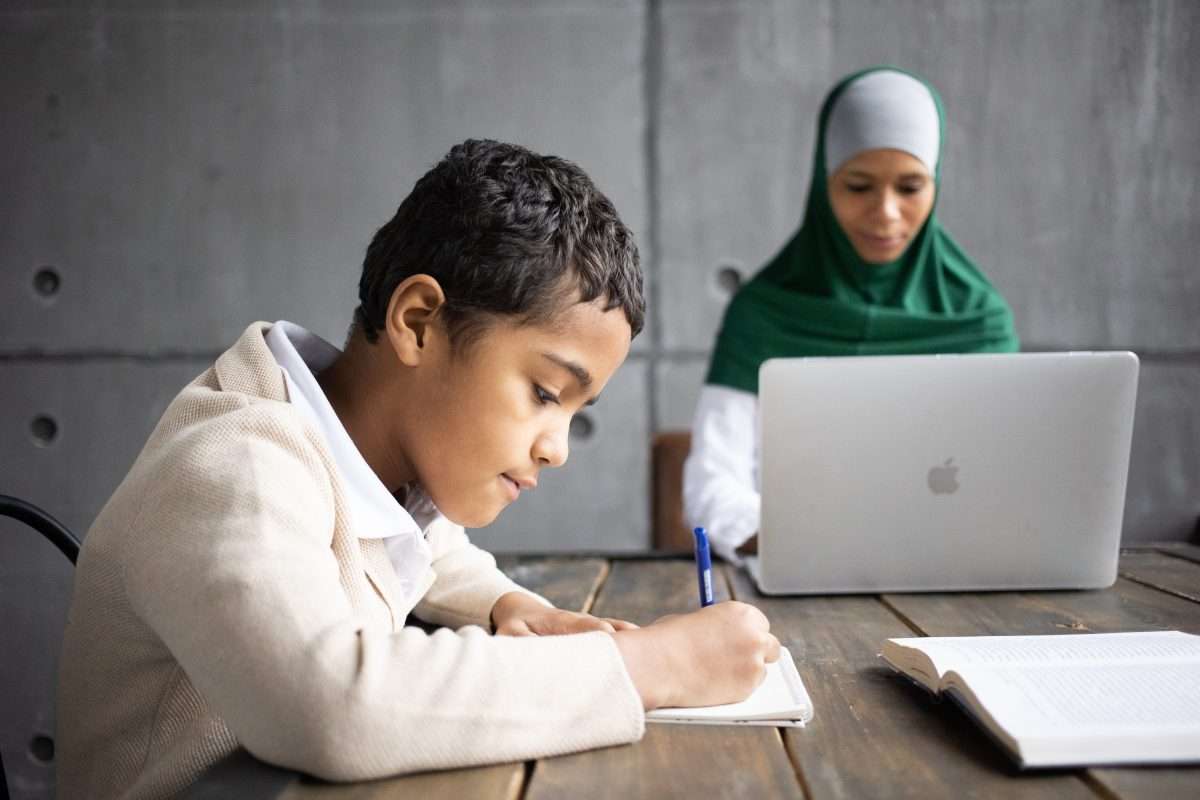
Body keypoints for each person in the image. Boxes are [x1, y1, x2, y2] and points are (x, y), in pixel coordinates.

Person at [56, 139, 780, 799]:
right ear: (418, 322)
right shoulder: (235, 463)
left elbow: (423, 547)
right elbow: (330, 706)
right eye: (544, 393)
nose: (557, 449)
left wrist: (508, 606)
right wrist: (651, 668)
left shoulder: (363, 462)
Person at [684, 67, 1020, 564]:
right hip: (799, 567)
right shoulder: (763, 312)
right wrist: (801, 537)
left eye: (911, 187)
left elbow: (1006, 480)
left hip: (955, 569)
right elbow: (713, 483)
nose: (886, 212)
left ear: (936, 184)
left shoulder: (979, 319)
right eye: (859, 186)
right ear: (824, 185)